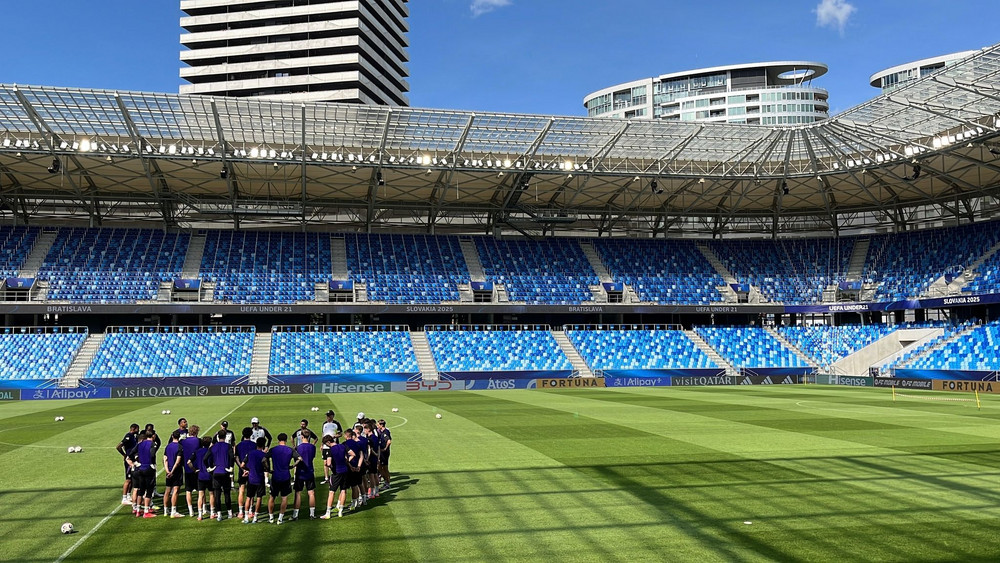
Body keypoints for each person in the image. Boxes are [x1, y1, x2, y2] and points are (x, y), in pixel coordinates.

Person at [265, 433, 299, 525]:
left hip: (275, 475)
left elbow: (264, 459)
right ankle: (280, 518)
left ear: (278, 440)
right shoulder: (290, 450)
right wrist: (292, 466)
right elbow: (300, 458)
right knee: (284, 497)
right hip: (285, 476)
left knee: (272, 497)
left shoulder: (273, 450)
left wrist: (268, 469)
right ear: (286, 440)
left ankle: (271, 517)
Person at [204, 429, 236, 521]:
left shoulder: (213, 447)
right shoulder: (228, 446)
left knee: (217, 494)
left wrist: (209, 468)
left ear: (217, 437)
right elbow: (231, 457)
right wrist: (230, 467)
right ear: (225, 437)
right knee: (227, 493)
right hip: (225, 472)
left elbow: (205, 459)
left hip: (216, 472)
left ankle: (219, 514)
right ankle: (230, 513)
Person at [126, 429, 159, 518]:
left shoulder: (140, 444)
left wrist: (136, 462)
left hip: (140, 468)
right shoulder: (152, 444)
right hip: (148, 468)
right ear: (153, 436)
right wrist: (150, 463)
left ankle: (137, 510)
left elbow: (131, 454)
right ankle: (146, 511)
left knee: (141, 490)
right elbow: (152, 454)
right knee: (149, 490)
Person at [319, 434, 353, 519]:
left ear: (328, 442)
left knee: (332, 492)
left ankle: (328, 513)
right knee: (343, 490)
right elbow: (352, 454)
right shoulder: (342, 446)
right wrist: (346, 461)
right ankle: (341, 511)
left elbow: (329, 463)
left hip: (336, 472)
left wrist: (330, 467)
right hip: (345, 470)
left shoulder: (331, 451)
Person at [291, 429, 317, 520]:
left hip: (300, 472)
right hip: (309, 471)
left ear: (301, 437)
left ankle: (295, 515)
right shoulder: (313, 447)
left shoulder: (298, 448)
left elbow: (296, 460)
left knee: (298, 493)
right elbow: (312, 457)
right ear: (309, 437)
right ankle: (312, 514)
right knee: (311, 493)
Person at [241, 437, 268, 524]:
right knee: (259, 497)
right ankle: (255, 517)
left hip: (251, 478)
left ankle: (246, 517)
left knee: (249, 497)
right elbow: (267, 468)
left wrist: (248, 469)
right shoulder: (264, 455)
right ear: (264, 445)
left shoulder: (250, 453)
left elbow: (242, 465)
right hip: (260, 478)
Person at [162, 430, 186, 518]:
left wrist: (167, 471)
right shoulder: (180, 447)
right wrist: (172, 472)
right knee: (175, 491)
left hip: (168, 471)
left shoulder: (168, 446)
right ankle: (173, 511)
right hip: (176, 471)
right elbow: (178, 461)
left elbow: (165, 459)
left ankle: (165, 511)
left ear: (172, 436)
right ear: (179, 437)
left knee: (167, 491)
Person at [234, 427, 256, 519]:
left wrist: (242, 468)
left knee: (241, 490)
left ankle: (240, 511)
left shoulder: (238, 445)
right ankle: (250, 511)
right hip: (251, 470)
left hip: (242, 470)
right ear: (251, 434)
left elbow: (236, 458)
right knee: (251, 491)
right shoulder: (254, 445)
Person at [180, 425, 201, 517]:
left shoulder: (183, 441)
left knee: (188, 490)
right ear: (196, 432)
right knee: (201, 489)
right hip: (197, 468)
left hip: (187, 467)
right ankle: (202, 508)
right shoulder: (198, 441)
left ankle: (190, 510)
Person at [190, 436, 213, 520]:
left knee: (200, 495)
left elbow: (189, 462)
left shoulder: (197, 451)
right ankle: (212, 512)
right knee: (211, 494)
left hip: (200, 475)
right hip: (209, 475)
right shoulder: (210, 451)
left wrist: (194, 470)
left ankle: (200, 514)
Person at [116, 423, 140, 505]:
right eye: (137, 429)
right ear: (134, 428)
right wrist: (124, 455)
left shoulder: (133, 437)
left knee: (132, 479)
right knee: (128, 479)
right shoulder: (128, 436)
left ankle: (129, 496)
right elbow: (118, 446)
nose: (138, 431)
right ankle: (124, 498)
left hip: (133, 460)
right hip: (129, 461)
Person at [345, 428, 365, 511]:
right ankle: (363, 500)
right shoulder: (358, 444)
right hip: (357, 467)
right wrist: (359, 466)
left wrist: (350, 466)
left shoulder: (344, 444)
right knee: (359, 483)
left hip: (351, 468)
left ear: (346, 436)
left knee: (353, 486)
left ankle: (354, 503)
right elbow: (361, 456)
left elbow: (346, 457)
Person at [321, 410, 343, 483]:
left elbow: (340, 434)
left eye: (329, 415)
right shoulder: (324, 424)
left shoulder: (336, 423)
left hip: (333, 445)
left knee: (333, 461)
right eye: (327, 415)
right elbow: (323, 434)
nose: (327, 417)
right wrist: (322, 444)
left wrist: (334, 436)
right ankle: (326, 478)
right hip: (325, 446)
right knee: (325, 462)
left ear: (332, 416)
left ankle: (334, 475)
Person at [363, 422, 380, 500]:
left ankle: (372, 493)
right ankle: (377, 491)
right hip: (376, 458)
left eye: (365, 429)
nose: (364, 431)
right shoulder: (376, 437)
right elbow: (379, 448)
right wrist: (378, 456)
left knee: (371, 476)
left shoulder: (369, 439)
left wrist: (367, 459)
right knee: (375, 474)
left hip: (371, 458)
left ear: (368, 429)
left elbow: (370, 450)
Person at [376, 419, 392, 491]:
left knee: (384, 468)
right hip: (381, 452)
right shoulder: (380, 432)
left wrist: (385, 448)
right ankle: (386, 481)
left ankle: (387, 483)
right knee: (380, 467)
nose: (377, 426)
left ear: (381, 425)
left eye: (378, 424)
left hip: (384, 453)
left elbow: (389, 441)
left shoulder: (386, 432)